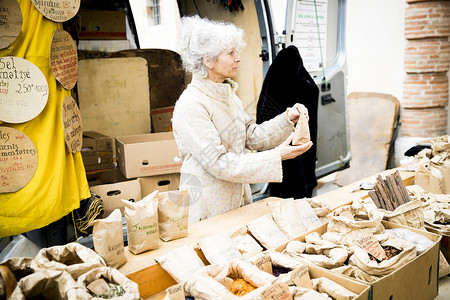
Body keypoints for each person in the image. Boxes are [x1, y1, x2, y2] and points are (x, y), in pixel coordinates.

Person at [172, 16, 313, 223]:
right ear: (208, 60)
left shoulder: (227, 95)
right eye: (230, 53)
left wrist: (287, 119)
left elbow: (252, 136)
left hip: (236, 200)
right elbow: (218, 163)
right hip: (208, 208)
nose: (238, 58)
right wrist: (277, 156)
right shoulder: (191, 104)